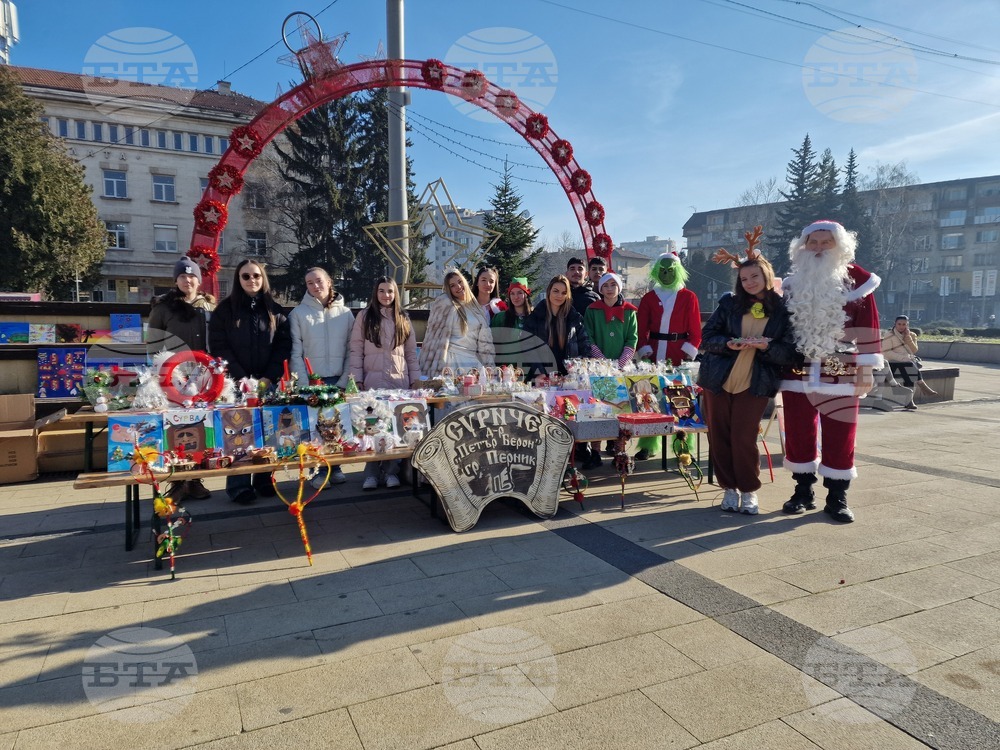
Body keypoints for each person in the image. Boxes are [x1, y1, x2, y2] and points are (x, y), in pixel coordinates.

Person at [780, 220, 883, 523]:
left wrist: (866, 370)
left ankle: (837, 496)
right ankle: (803, 491)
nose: (819, 248)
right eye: (813, 242)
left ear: (840, 246)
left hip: (842, 369)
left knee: (841, 431)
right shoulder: (791, 284)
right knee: (798, 430)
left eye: (826, 242)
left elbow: (869, 328)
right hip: (797, 370)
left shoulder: (859, 283)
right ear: (803, 246)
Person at [698, 250, 797, 514]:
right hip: (718, 379)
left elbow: (789, 351)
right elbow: (706, 337)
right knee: (719, 437)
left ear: (767, 275)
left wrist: (767, 346)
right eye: (744, 278)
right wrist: (728, 343)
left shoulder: (783, 309)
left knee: (743, 437)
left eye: (754, 276)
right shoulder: (730, 303)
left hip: (755, 381)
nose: (749, 282)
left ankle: (749, 490)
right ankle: (729, 488)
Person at [209, 260, 292, 505]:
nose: (251, 280)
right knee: (238, 434)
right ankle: (239, 484)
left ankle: (265, 478)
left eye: (256, 276)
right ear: (238, 279)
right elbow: (219, 346)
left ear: (263, 279)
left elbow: (283, 347)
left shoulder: (275, 310)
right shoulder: (225, 310)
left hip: (267, 381)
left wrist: (269, 377)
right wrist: (240, 377)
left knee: (267, 431)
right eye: (246, 276)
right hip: (236, 384)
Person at [147, 257, 217, 502]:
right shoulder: (163, 307)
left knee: (199, 425)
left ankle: (195, 479)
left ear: (199, 279)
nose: (188, 280)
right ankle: (177, 482)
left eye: (192, 276)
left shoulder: (209, 305)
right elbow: (153, 342)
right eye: (183, 276)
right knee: (176, 427)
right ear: (176, 280)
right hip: (174, 376)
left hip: (203, 374)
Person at [349, 277, 422, 490]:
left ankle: (391, 471)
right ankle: (371, 473)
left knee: (392, 429)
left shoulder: (403, 318)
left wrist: (415, 380)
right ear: (376, 293)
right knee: (371, 427)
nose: (386, 295)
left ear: (395, 294)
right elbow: (356, 349)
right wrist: (357, 379)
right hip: (372, 382)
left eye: (390, 291)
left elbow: (410, 353)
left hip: (398, 382)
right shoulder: (364, 316)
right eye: (382, 291)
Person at [289, 267, 354, 486]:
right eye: (309, 283)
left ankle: (335, 467)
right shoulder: (298, 314)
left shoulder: (345, 314)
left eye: (319, 281)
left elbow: (351, 350)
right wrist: (303, 385)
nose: (315, 286)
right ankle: (316, 471)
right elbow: (296, 352)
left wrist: (345, 380)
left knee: (335, 426)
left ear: (329, 281)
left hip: (337, 379)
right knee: (313, 429)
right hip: (312, 381)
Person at [635, 253, 702, 460]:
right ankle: (647, 444)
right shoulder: (648, 297)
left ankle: (683, 445)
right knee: (649, 400)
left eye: (670, 271)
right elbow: (640, 328)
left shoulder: (688, 296)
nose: (666, 275)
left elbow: (696, 331)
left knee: (681, 401)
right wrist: (644, 351)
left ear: (678, 271)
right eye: (662, 271)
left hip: (678, 354)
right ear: (657, 272)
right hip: (654, 352)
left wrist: (688, 354)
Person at [584, 271, 638, 467]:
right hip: (598, 368)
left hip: (621, 368)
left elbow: (632, 337)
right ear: (600, 288)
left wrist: (621, 362)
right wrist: (601, 360)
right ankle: (595, 452)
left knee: (620, 409)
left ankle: (619, 451)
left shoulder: (630, 311)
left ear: (619, 287)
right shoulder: (592, 310)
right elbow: (588, 336)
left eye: (613, 285)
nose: (609, 289)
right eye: (605, 286)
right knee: (598, 409)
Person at [420, 269, 496, 374]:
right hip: (450, 361)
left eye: (460, 282)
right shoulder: (446, 304)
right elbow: (432, 339)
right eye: (452, 285)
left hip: (472, 361)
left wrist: (489, 365)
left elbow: (484, 344)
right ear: (449, 289)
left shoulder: (475, 307)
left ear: (464, 281)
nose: (458, 287)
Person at [524, 275, 593, 379]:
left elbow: (586, 348)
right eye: (556, 291)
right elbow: (527, 348)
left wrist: (576, 368)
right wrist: (539, 373)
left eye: (564, 293)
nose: (559, 295)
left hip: (569, 379)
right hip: (542, 379)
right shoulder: (535, 317)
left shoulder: (574, 318)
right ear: (549, 292)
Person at [881, 315, 936, 409]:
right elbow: (886, 353)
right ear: (895, 324)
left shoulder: (912, 335)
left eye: (904, 324)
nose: (901, 326)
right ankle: (921, 384)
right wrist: (902, 358)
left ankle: (909, 401)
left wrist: (908, 338)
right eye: (899, 324)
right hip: (891, 364)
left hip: (907, 363)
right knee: (908, 366)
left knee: (909, 373)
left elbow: (914, 351)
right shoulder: (889, 335)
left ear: (907, 325)